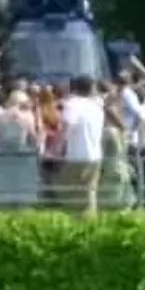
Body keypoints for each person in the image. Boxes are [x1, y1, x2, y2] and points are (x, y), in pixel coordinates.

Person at [0, 90, 40, 208]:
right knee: (19, 193)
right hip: (21, 158)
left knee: (4, 193)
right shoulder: (27, 117)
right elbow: (34, 141)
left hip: (2, 158)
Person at [59, 76, 106, 215]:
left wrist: (57, 147)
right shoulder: (97, 106)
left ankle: (75, 222)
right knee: (90, 192)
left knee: (72, 192)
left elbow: (67, 126)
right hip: (95, 154)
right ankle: (90, 222)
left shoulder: (72, 104)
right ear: (91, 88)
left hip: (76, 155)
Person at [97, 104, 133, 210]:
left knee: (107, 203)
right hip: (123, 168)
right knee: (122, 203)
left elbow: (101, 151)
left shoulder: (108, 132)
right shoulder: (123, 132)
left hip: (111, 169)